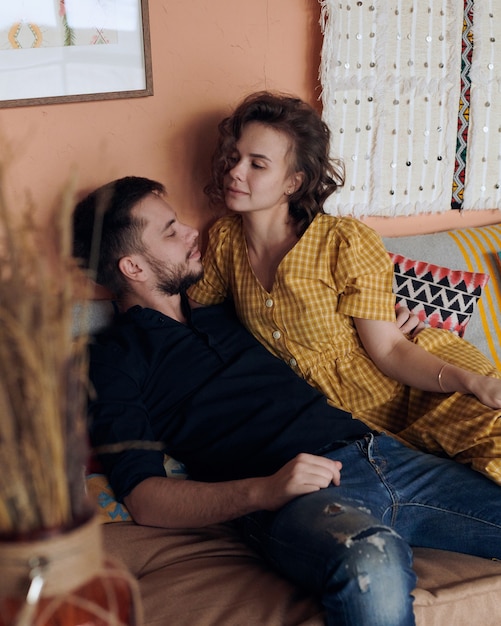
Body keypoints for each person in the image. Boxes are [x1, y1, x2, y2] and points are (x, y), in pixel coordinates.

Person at [73, 175, 501, 626]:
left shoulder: (228, 310)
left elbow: (325, 337)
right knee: (371, 562)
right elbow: (144, 498)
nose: (190, 232)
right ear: (133, 268)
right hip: (299, 497)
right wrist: (265, 490)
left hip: (386, 455)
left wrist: (395, 329)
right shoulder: (113, 362)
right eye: (170, 230)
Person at [187, 90, 501, 484]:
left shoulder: (343, 242)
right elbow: (197, 323)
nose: (235, 171)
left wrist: (471, 382)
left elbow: (389, 349)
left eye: (257, 164)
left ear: (292, 182)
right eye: (234, 158)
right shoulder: (223, 242)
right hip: (338, 427)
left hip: (416, 391)